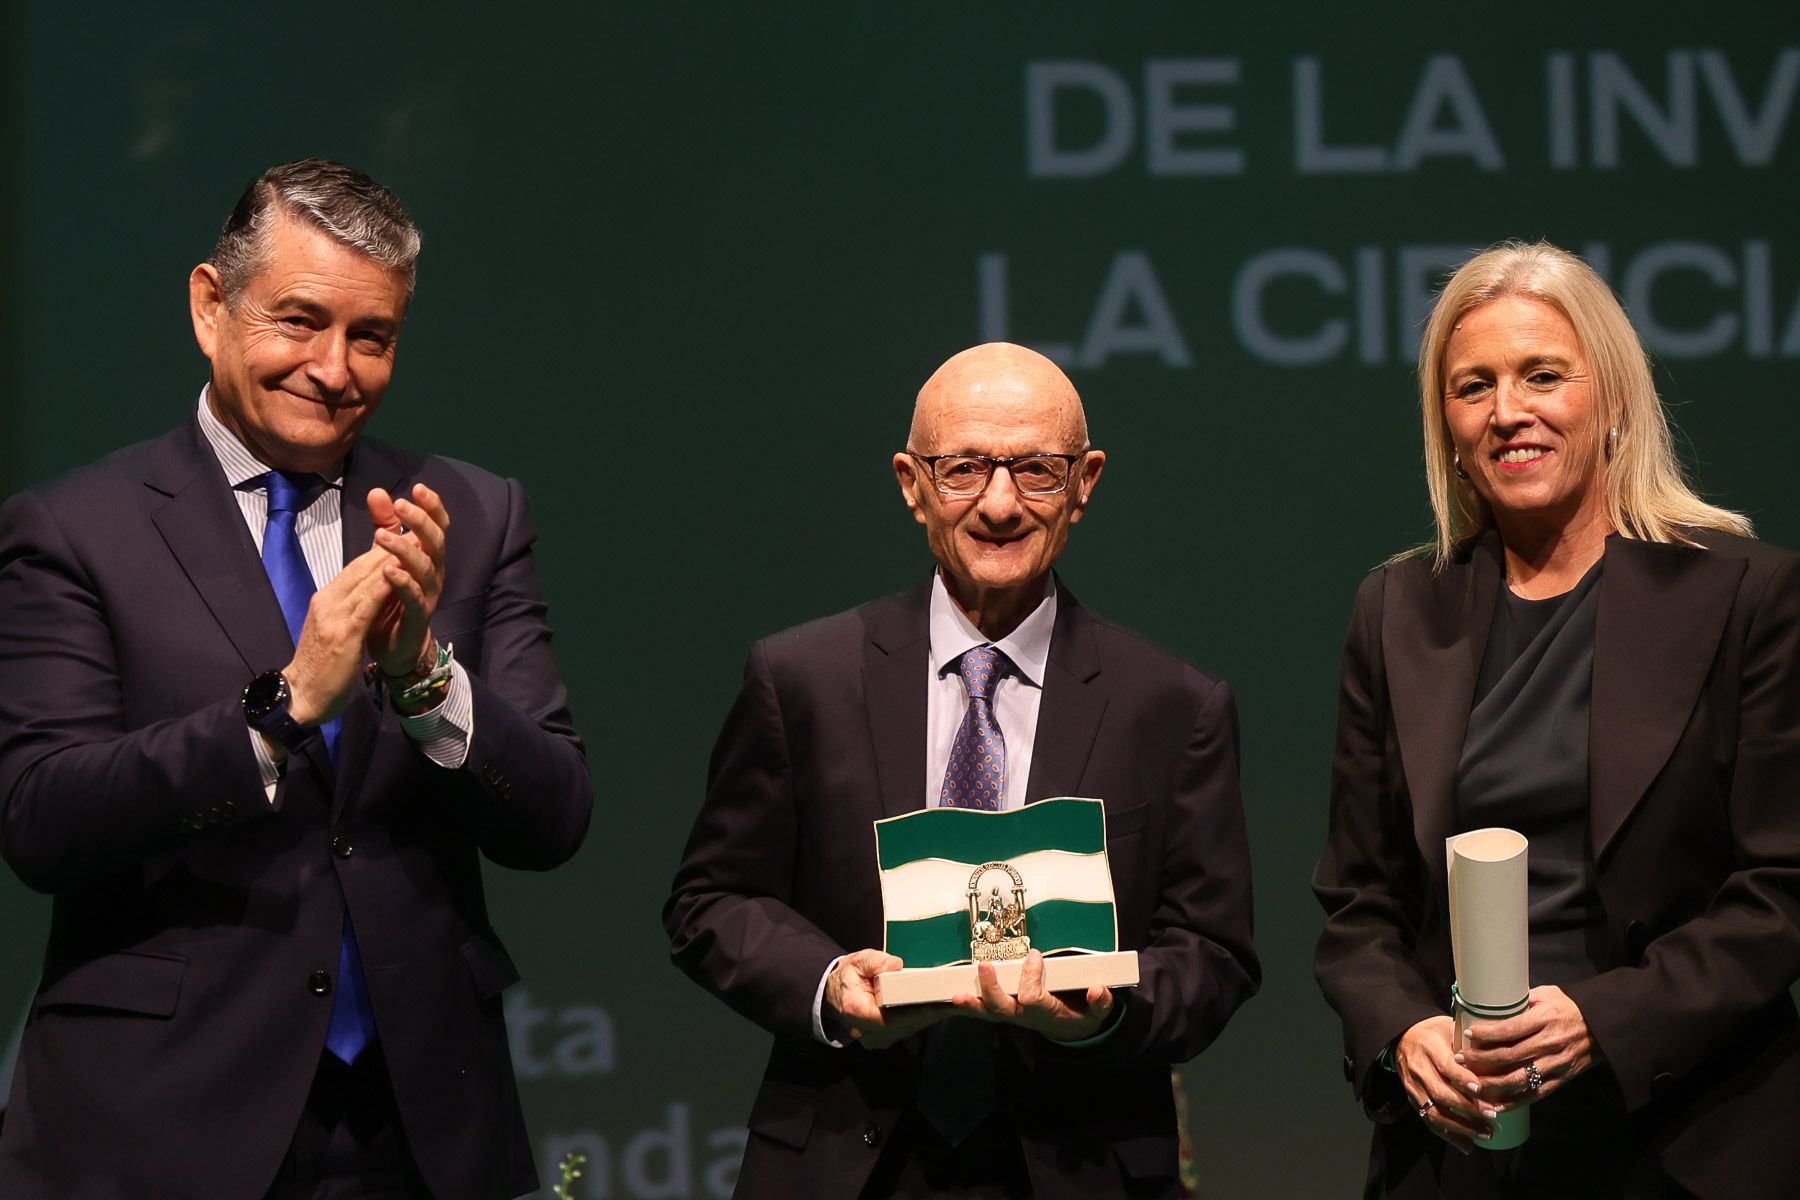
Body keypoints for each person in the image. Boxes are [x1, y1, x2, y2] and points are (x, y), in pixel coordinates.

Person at [0, 159, 593, 1199]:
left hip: (421, 1133)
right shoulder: (73, 530)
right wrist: (276, 714)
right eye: (299, 322)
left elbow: (551, 817)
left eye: (373, 338)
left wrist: (424, 684)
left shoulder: (467, 512)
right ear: (209, 306)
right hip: (162, 1127)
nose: (335, 367)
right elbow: (43, 820)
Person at [664, 342, 1259, 1199]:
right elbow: (707, 903)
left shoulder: (1171, 705)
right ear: (911, 484)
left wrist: (1103, 1012)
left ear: (1086, 483)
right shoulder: (803, 680)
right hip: (846, 1156)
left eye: (1037, 471)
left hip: (1077, 1160)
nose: (1000, 504)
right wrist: (830, 986)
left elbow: (1215, 953)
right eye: (965, 469)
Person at [1312, 241, 1800, 1199]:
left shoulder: (1749, 595)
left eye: (1543, 376)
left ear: (1611, 394)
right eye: (1472, 387)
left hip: (1688, 1139)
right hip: (1465, 1144)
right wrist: (1403, 1035)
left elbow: (1782, 888)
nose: (1507, 413)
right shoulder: (1398, 609)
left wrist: (1603, 1019)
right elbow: (1360, 903)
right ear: (1444, 423)